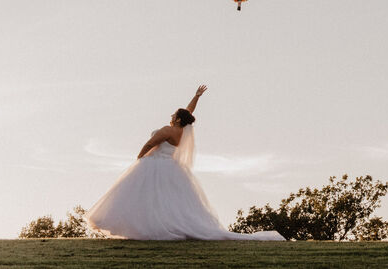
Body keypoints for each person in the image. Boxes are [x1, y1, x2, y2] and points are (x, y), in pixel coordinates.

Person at [87, 85, 285, 241]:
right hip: (171, 167)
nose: (171, 116)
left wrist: (139, 158)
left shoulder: (168, 129)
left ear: (179, 120)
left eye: (174, 115)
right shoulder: (183, 131)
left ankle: (147, 227)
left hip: (155, 164)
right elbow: (188, 112)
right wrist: (196, 97)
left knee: (145, 197)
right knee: (166, 201)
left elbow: (150, 143)